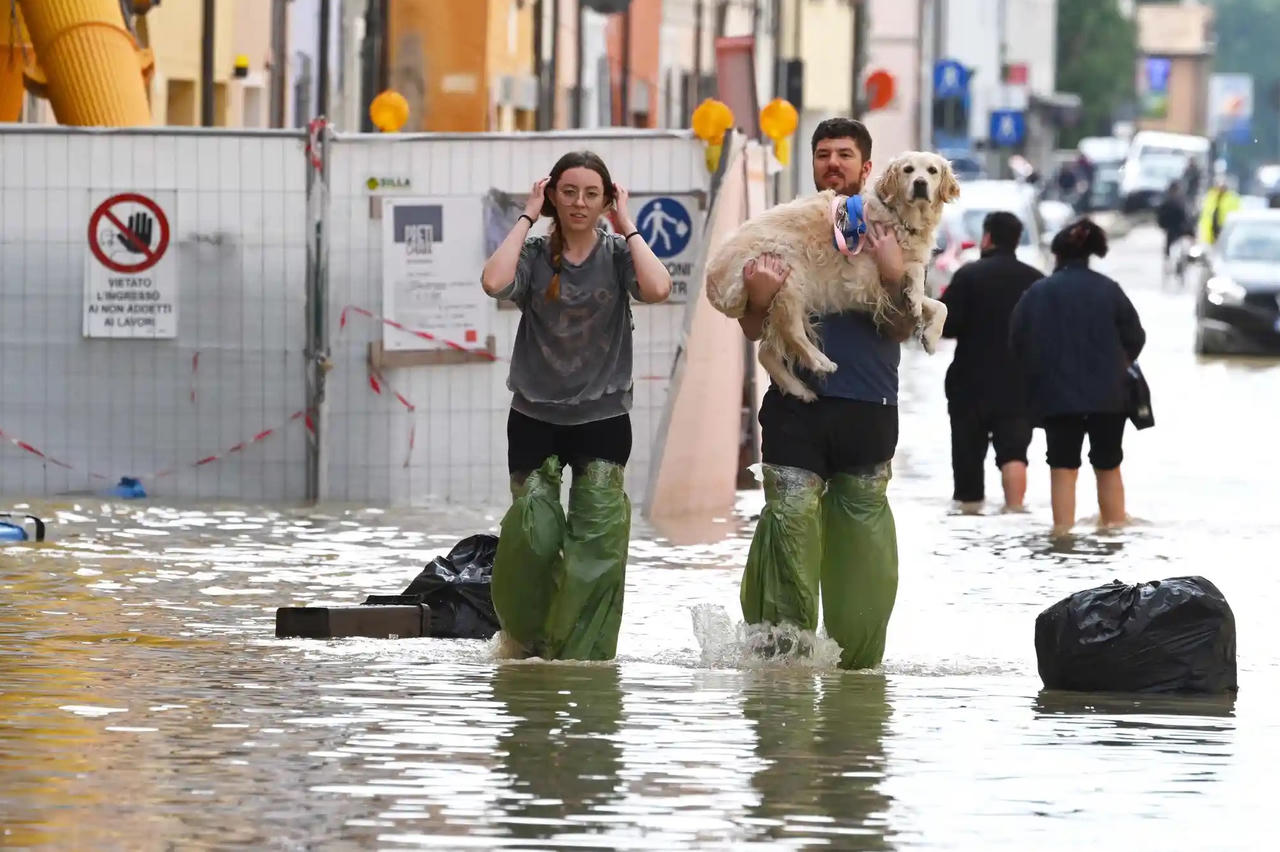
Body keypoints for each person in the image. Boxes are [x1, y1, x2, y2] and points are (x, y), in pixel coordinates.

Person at [735, 117, 915, 670]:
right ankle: (782, 667)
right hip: (796, 409)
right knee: (788, 526)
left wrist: (891, 275)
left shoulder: (895, 231)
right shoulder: (786, 230)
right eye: (822, 155)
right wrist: (760, 298)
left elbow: (904, 328)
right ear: (811, 165)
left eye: (843, 155)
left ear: (866, 168)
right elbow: (750, 327)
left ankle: (857, 674)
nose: (832, 164)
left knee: (861, 549)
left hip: (869, 410)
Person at [480, 150, 672, 660]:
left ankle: (581, 658)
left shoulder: (616, 254)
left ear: (606, 198)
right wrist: (526, 213)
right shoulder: (535, 254)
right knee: (533, 536)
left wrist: (627, 223)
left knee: (597, 545)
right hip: (534, 416)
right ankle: (527, 643)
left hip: (603, 419)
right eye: (568, 192)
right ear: (552, 197)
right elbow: (493, 282)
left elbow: (658, 288)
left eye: (591, 193)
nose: (579, 203)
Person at [1009, 218, 1146, 536]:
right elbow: (1136, 337)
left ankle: (1063, 535)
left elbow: (1018, 343)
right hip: (1110, 396)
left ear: (1057, 255)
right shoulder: (1109, 290)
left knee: (1063, 466)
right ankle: (1113, 532)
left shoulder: (1037, 293)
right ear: (1090, 255)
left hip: (1057, 396)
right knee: (1108, 464)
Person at [940, 211, 1043, 513]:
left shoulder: (968, 276)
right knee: (1014, 455)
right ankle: (1015, 512)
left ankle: (971, 518)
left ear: (987, 238)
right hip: (1018, 387)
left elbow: (946, 327)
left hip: (969, 385)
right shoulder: (1035, 280)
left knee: (968, 465)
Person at [1155, 180, 1192, 280]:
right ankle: (1174, 271)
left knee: (1174, 253)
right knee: (1174, 253)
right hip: (1177, 231)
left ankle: (1174, 270)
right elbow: (1186, 218)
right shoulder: (1178, 202)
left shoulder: (1168, 202)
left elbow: (1160, 218)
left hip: (1174, 231)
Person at [1197, 174, 1240, 246]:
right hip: (1210, 236)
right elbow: (1205, 217)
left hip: (1225, 233)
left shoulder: (1232, 199)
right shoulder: (1210, 197)